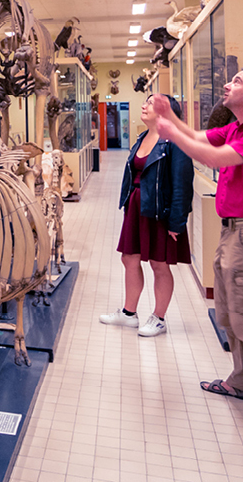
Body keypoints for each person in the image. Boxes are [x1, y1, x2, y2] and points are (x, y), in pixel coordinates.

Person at [151, 65, 243, 423]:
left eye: (237, 81)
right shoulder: (237, 128)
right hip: (233, 232)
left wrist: (170, 132)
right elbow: (200, 138)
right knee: (228, 316)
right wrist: (169, 115)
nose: (227, 84)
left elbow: (212, 157)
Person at [99, 93, 194, 337]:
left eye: (150, 103)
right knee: (129, 259)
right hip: (137, 207)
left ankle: (159, 318)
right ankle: (129, 313)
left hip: (159, 211)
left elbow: (182, 184)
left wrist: (177, 221)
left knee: (159, 264)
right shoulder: (143, 137)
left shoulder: (175, 140)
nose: (144, 105)